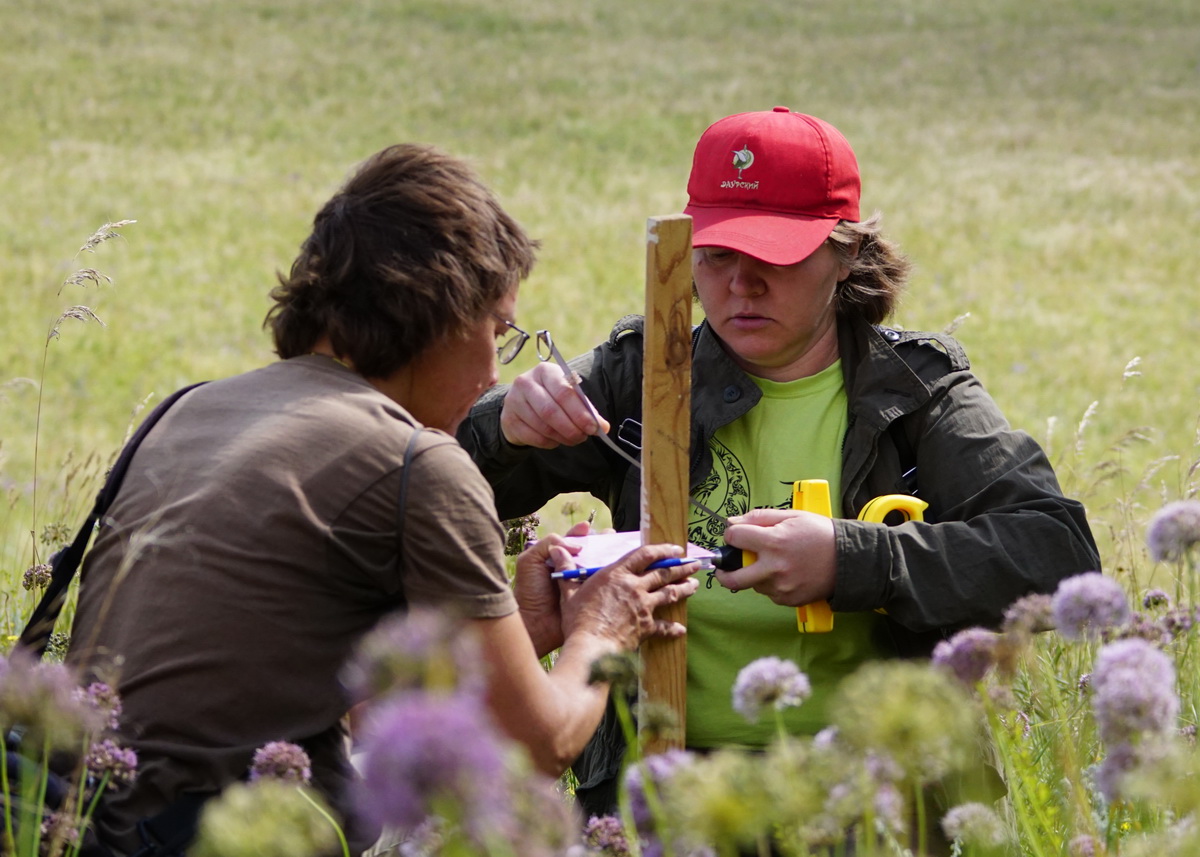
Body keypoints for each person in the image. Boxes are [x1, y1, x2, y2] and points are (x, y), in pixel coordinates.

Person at [458, 107, 1101, 814]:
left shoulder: (917, 390)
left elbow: (1059, 553)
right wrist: (508, 425)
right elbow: (433, 479)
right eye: (717, 255)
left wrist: (854, 560)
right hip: (662, 789)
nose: (742, 284)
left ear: (846, 252)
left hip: (869, 793)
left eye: (776, 256)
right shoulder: (643, 372)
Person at [65, 143, 699, 856]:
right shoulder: (416, 461)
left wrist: (518, 630)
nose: (496, 367)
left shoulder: (192, 409)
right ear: (444, 312)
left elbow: (326, 705)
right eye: (498, 329)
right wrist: (603, 628)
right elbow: (546, 742)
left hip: (74, 818)